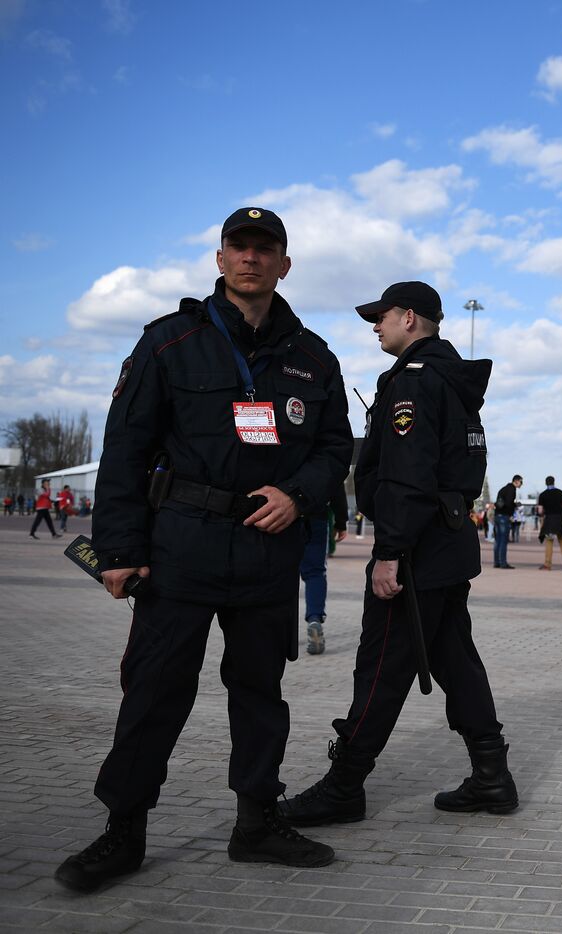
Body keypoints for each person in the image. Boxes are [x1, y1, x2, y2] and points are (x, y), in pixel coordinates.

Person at [56, 208, 353, 893]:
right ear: (220, 260)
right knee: (155, 693)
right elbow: (125, 450)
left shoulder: (313, 357)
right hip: (180, 546)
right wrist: (118, 550)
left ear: (284, 263)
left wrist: (299, 496)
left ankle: (256, 822)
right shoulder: (170, 342)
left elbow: (336, 449)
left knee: (259, 695)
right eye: (239, 247)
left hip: (266, 550)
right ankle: (122, 832)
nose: (251, 258)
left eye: (265, 248)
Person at [279, 280, 517, 829]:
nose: (375, 326)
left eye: (381, 316)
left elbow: (408, 475)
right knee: (455, 658)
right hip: (447, 543)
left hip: (416, 549)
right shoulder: (452, 378)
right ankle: (491, 776)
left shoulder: (414, 382)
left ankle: (344, 785)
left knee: (382, 665)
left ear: (410, 317)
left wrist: (389, 552)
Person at [300, 482, 350, 655]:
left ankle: (282, 631)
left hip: (281, 512)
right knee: (315, 573)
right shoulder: (321, 453)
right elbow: (334, 480)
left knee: (283, 571)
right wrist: (341, 521)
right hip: (316, 515)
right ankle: (315, 619)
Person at [537, 476, 562, 570]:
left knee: (549, 541)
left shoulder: (543, 495)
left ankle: (547, 564)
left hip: (550, 520)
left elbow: (540, 511)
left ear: (545, 483)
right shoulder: (560, 492)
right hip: (560, 519)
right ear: (554, 482)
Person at [492, 475, 522, 568]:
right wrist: (514, 505)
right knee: (503, 540)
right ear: (516, 481)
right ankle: (503, 563)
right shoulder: (512, 489)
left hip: (497, 515)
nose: (521, 484)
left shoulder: (503, 489)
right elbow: (508, 503)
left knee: (498, 540)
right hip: (504, 516)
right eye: (521, 482)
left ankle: (497, 562)